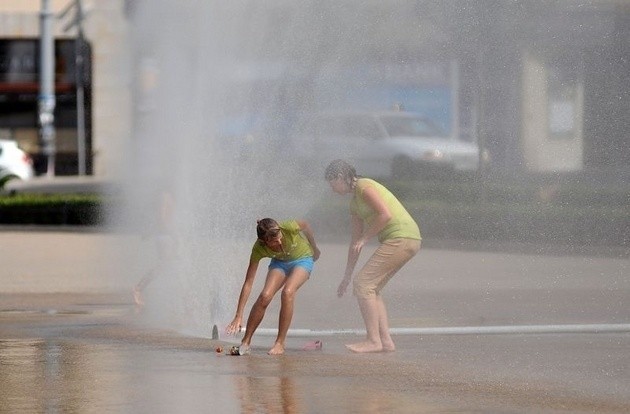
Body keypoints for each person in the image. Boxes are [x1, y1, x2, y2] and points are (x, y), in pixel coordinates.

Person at [324, 159, 421, 353]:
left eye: (331, 183)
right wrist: (346, 276)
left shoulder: (364, 186)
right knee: (371, 287)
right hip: (406, 239)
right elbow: (355, 242)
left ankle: (373, 340)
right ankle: (385, 342)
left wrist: (366, 238)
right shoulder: (354, 204)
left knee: (364, 284)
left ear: (341, 177)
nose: (332, 189)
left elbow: (385, 215)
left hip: (402, 236)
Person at [225, 218, 321, 355]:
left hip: (303, 259)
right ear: (264, 242)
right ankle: (245, 342)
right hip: (280, 263)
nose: (280, 243)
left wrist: (314, 247)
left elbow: (305, 224)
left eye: (280, 237)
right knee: (265, 296)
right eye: (274, 242)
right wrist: (238, 315)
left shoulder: (288, 227)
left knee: (287, 292)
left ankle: (280, 343)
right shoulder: (258, 248)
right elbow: (248, 282)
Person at [132, 189, 178, 307]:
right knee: (163, 266)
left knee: (170, 266)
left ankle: (181, 299)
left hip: (167, 236)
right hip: (165, 237)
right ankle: (138, 289)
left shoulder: (166, 195)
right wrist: (173, 234)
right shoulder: (165, 195)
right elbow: (161, 217)